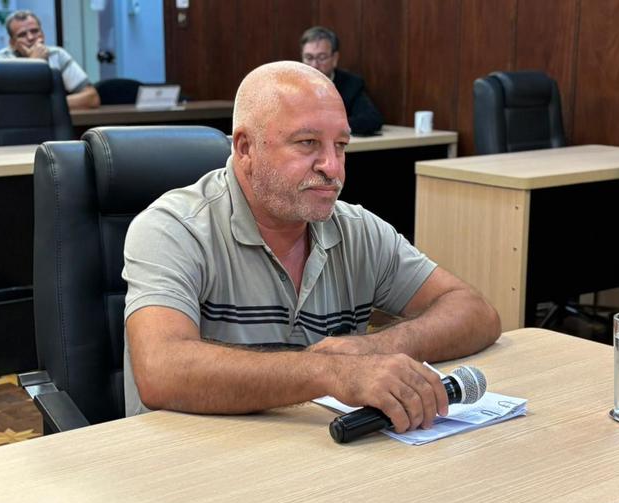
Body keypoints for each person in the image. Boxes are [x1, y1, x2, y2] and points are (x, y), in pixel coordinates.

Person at [122, 61, 500, 434]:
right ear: (245, 148)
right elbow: (161, 369)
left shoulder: (356, 229)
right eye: (307, 143)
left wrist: (377, 347)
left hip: (319, 455)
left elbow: (476, 312)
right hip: (192, 458)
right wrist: (331, 371)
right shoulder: (174, 228)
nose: (333, 168)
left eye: (341, 145)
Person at [0, 10, 100, 110]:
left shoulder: (57, 55)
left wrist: (48, 104)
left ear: (43, 34)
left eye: (35, 31)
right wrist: (34, 64)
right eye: (22, 35)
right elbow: (11, 104)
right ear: (12, 43)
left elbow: (91, 98)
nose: (31, 37)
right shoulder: (2, 62)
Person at [300, 26, 383, 135]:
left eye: (321, 57)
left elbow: (372, 119)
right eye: (309, 58)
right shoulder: (290, 85)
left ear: (335, 58)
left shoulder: (351, 84)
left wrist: (328, 126)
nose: (314, 65)